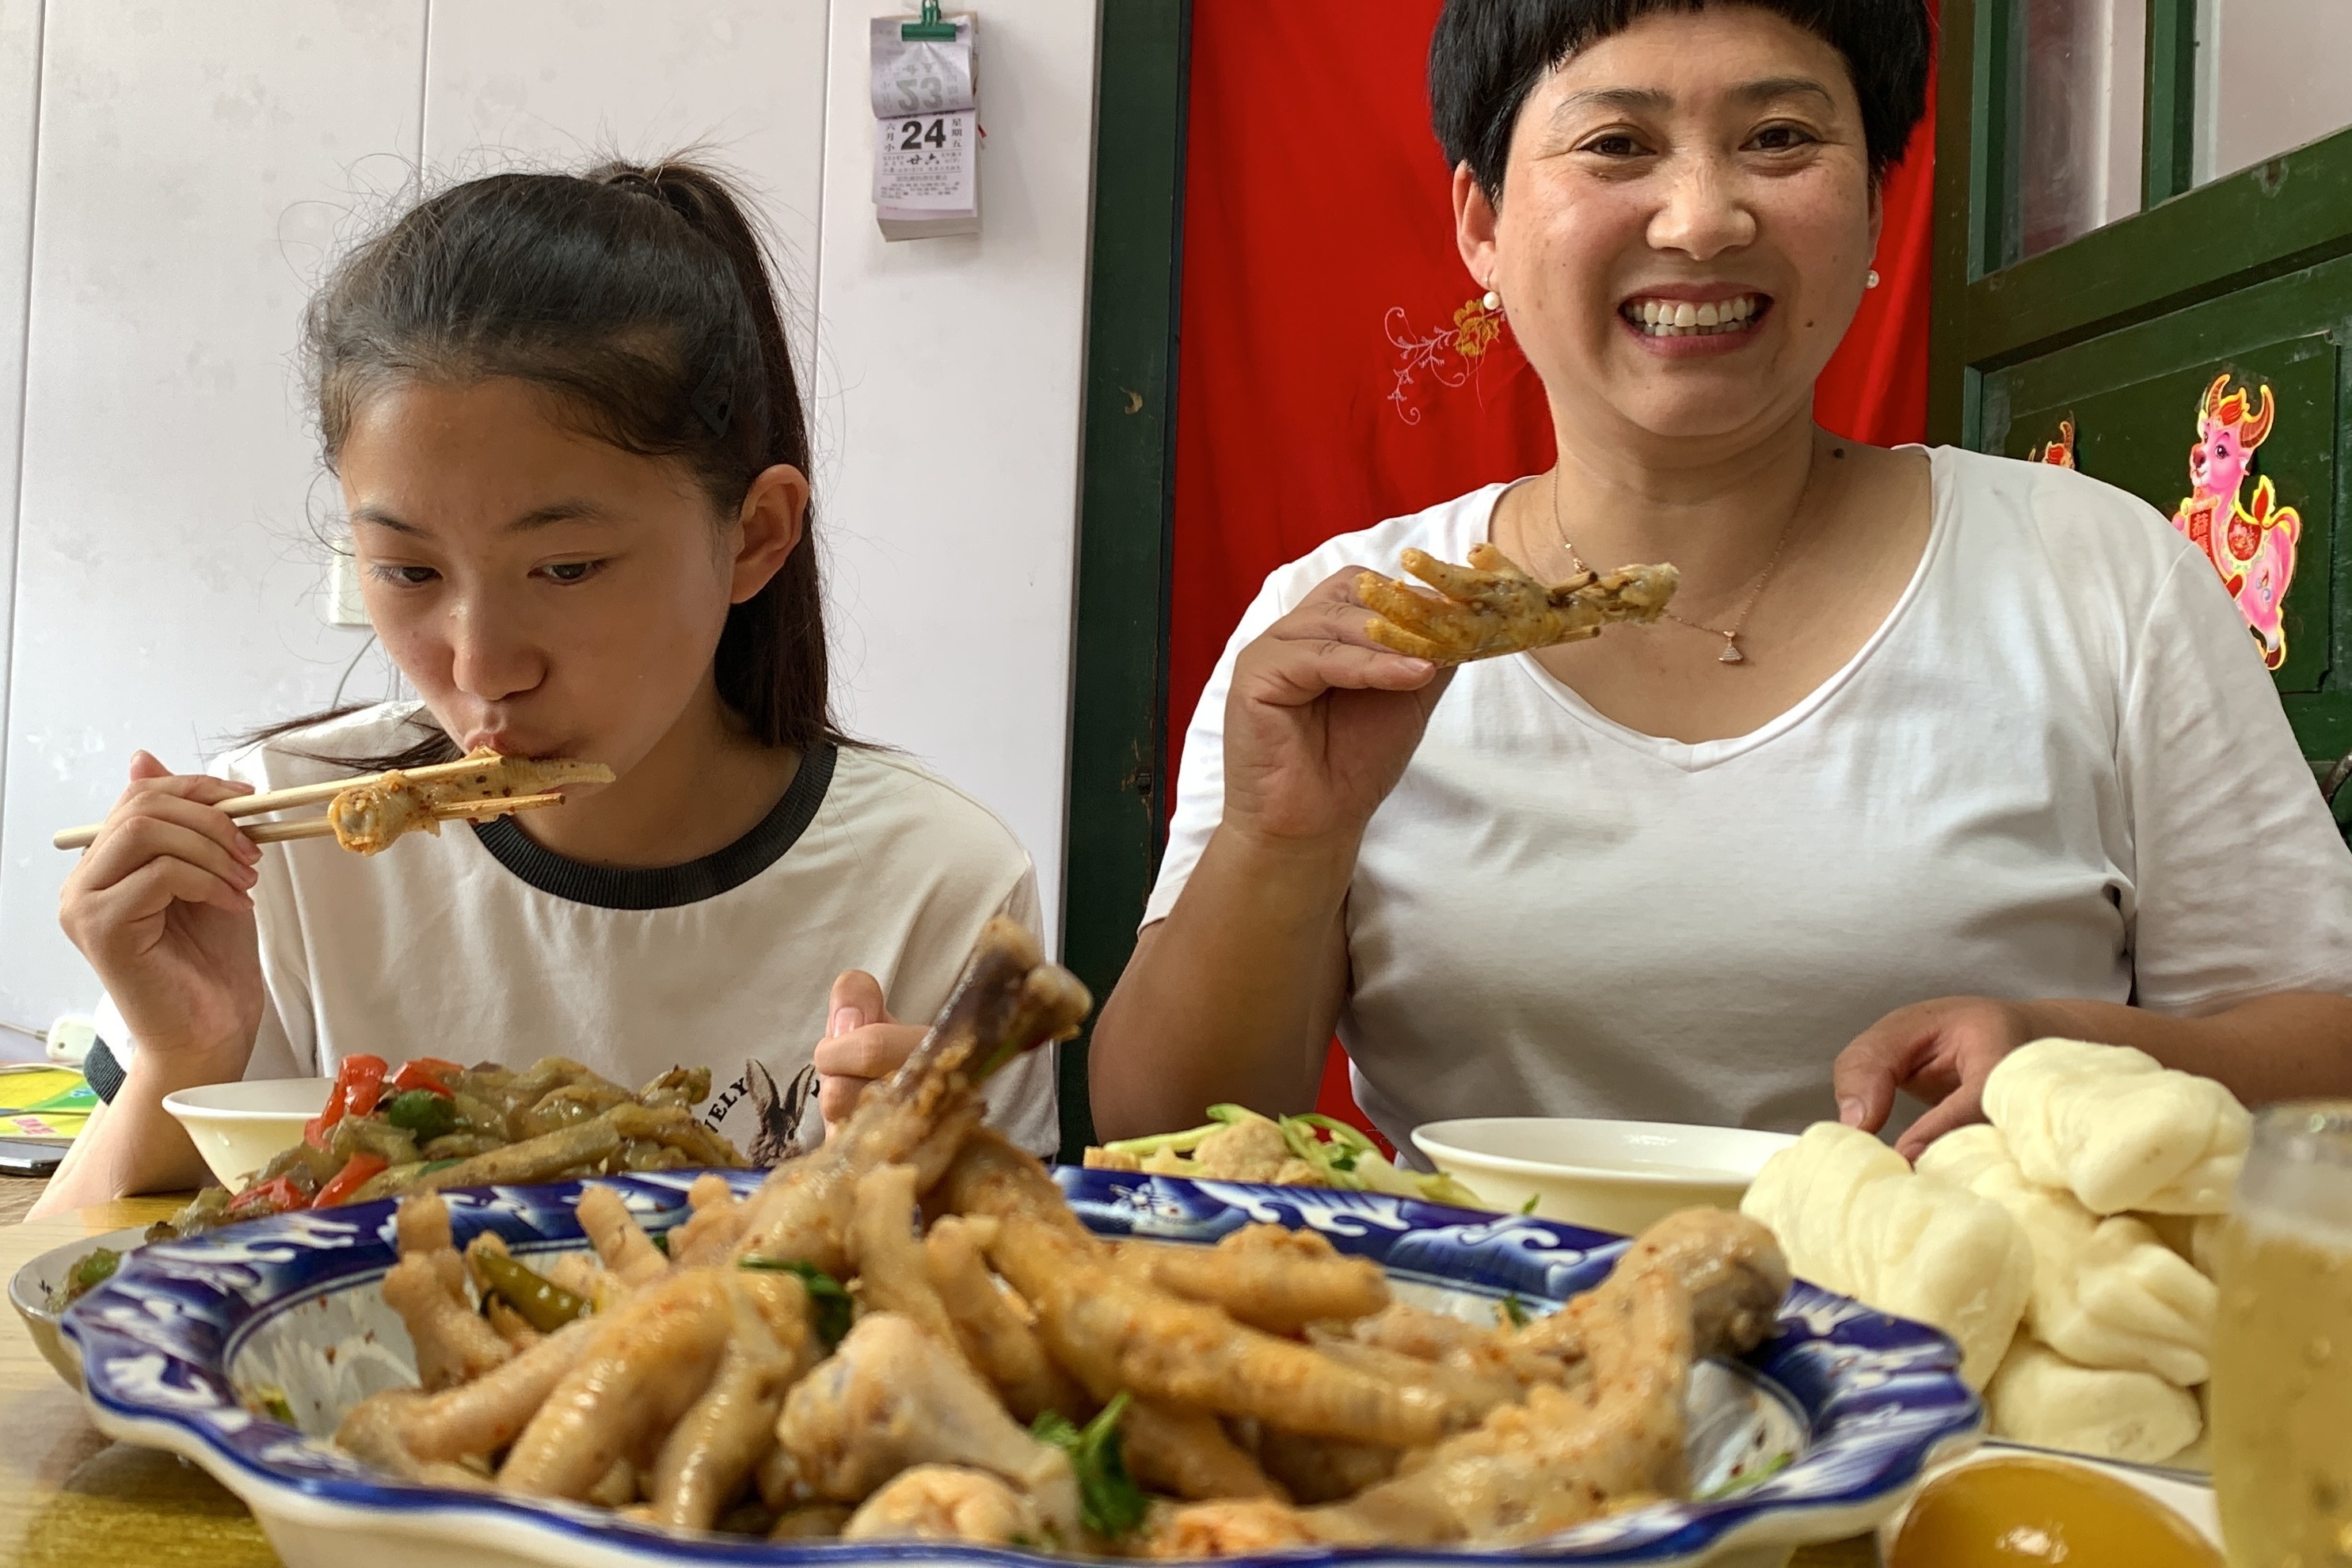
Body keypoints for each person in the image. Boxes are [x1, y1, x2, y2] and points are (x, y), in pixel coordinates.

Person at [1090, 0, 2352, 1163]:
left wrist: (2088, 1057)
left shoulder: (2095, 573)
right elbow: (1161, 1132)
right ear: (1479, 223)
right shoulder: (1356, 619)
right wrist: (1281, 845)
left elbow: (2325, 1053)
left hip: (1986, 1378)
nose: (1700, 218)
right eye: (1616, 145)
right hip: (1480, 1366)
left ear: (1870, 208)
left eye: (1779, 137)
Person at [34, 159, 1052, 1216]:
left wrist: (917, 1202)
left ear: (754, 538)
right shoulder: (277, 857)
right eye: (409, 573)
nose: (480, 669)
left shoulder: (934, 884)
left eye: (566, 570)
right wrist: (183, 1049)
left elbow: (1008, 1313)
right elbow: (79, 1305)